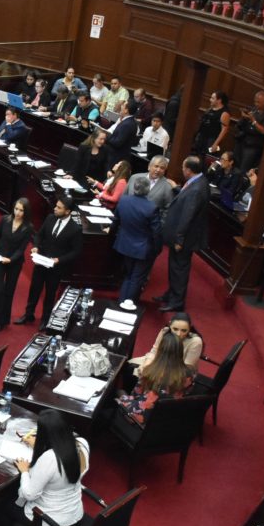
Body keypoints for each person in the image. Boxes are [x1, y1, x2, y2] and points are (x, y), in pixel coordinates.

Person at [8, 410, 89, 526]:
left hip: (51, 520)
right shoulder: (82, 443)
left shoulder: (50, 459)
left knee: (4, 507)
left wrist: (24, 471)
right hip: (74, 512)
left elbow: (29, 494)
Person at [15, 196, 83, 326]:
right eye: (56, 206)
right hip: (41, 262)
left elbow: (76, 252)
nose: (55, 209)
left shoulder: (75, 229)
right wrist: (35, 246)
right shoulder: (50, 218)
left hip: (56, 268)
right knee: (34, 289)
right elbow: (39, 236)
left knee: (50, 294)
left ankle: (45, 319)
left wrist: (59, 260)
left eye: (59, 207)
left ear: (67, 211)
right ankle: (28, 315)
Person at [155, 156, 210, 312]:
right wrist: (176, 188)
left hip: (184, 239)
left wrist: (179, 239)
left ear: (188, 170)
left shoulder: (197, 188)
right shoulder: (198, 182)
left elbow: (188, 215)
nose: (182, 169)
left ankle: (177, 301)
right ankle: (171, 294)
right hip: (184, 236)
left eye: (183, 167)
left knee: (179, 269)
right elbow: (187, 197)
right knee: (174, 267)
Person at [116, 332, 195, 426]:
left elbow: (136, 394)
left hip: (141, 419)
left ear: (160, 351)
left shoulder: (152, 373)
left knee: (118, 391)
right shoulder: (189, 374)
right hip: (168, 417)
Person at [109, 176, 161, 302]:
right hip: (143, 249)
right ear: (148, 190)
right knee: (136, 278)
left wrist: (110, 232)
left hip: (125, 245)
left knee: (128, 275)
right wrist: (157, 250)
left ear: (134, 188)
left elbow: (115, 221)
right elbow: (157, 232)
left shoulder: (124, 200)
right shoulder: (151, 207)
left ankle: (122, 302)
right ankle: (128, 305)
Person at [0, 197, 33, 334]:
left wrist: (11, 259)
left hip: (15, 262)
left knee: (9, 292)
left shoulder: (28, 228)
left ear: (26, 212)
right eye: (16, 209)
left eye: (21, 210)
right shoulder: (4, 219)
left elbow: (21, 249)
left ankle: (3, 320)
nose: (18, 212)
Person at [130, 312, 204, 374]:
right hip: (159, 363)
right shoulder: (164, 331)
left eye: (184, 330)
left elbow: (186, 368)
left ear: (190, 328)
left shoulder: (195, 342)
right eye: (175, 329)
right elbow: (154, 351)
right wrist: (146, 366)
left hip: (179, 373)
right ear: (170, 325)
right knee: (130, 368)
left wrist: (156, 372)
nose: (179, 334)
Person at [235, 91, 264, 173]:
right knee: (236, 164)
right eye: (255, 101)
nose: (256, 104)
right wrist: (245, 117)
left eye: (258, 102)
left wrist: (253, 120)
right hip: (243, 141)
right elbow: (241, 125)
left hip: (253, 146)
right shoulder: (253, 110)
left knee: (244, 168)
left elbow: (263, 131)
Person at [193, 90, 232, 154]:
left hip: (212, 140)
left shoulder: (224, 113)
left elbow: (224, 130)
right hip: (202, 137)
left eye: (213, 98)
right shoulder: (211, 108)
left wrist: (215, 144)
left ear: (219, 100)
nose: (210, 100)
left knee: (207, 155)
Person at [102, 101, 138, 165]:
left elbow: (117, 142)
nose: (121, 106)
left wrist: (106, 136)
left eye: (123, 105)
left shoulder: (127, 124)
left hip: (116, 158)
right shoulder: (128, 121)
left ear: (126, 110)